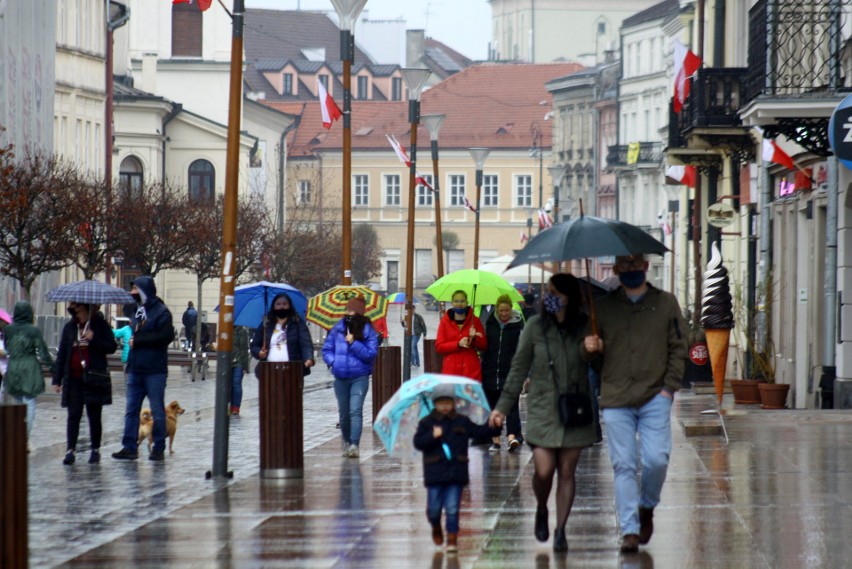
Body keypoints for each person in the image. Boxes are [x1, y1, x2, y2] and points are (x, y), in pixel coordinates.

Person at [582, 254, 687, 553]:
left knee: (656, 459)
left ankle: (647, 507)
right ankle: (629, 529)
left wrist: (669, 389)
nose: (630, 269)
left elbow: (680, 347)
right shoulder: (601, 308)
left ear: (645, 266)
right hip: (616, 396)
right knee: (624, 465)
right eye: (623, 265)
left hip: (655, 395)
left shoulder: (666, 304)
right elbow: (588, 355)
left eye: (635, 263)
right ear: (615, 269)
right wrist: (590, 348)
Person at [489, 274, 596, 552]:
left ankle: (561, 530)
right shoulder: (535, 327)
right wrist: (501, 407)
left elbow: (602, 366)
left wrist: (592, 350)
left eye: (554, 292)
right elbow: (518, 368)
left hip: (575, 409)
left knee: (567, 471)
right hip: (542, 408)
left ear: (568, 297)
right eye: (547, 291)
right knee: (545, 470)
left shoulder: (586, 326)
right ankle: (540, 506)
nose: (547, 295)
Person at [413, 386, 500, 553]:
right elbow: (419, 443)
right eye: (441, 403)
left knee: (452, 508)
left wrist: (494, 427)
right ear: (434, 404)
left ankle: (452, 538)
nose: (444, 406)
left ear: (454, 403)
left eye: (448, 402)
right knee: (434, 509)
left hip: (456, 472)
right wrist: (432, 435)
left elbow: (479, 432)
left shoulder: (461, 421)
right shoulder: (427, 423)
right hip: (435, 474)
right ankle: (436, 526)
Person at [113, 276, 175, 462]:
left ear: (145, 291)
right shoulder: (136, 311)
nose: (132, 293)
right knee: (131, 410)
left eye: (135, 290)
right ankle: (129, 446)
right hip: (135, 368)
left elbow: (165, 336)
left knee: (157, 410)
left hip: (154, 370)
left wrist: (139, 340)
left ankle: (158, 447)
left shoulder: (162, 312)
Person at [53, 302, 117, 465]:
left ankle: (95, 449)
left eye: (77, 306)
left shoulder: (99, 325)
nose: (74, 308)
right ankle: (70, 450)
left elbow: (111, 346)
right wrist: (57, 379)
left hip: (93, 377)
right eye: (73, 306)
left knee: (94, 415)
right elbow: (62, 354)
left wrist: (93, 338)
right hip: (74, 378)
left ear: (85, 307)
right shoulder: (70, 327)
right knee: (73, 414)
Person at [322, 297, 379, 458]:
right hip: (340, 377)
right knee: (344, 414)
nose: (348, 313)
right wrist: (334, 362)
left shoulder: (368, 331)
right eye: (347, 310)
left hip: (359, 377)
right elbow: (327, 349)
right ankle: (346, 441)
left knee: (355, 410)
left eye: (351, 310)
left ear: (359, 313)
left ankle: (354, 444)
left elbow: (371, 354)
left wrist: (354, 342)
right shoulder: (337, 329)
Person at [2, 300, 54, 448]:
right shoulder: (33, 331)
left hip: (13, 367)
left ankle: (18, 437)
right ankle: (25, 439)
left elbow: (6, 347)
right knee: (30, 403)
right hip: (30, 367)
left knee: (17, 403)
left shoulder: (8, 329)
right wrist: (54, 370)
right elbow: (43, 353)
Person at [480, 294, 525, 452]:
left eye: (506, 310)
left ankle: (512, 437)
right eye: (501, 311)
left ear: (511, 310)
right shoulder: (489, 324)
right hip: (490, 370)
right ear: (497, 310)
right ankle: (496, 440)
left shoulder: (518, 325)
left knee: (511, 405)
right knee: (493, 406)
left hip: (510, 371)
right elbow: (484, 347)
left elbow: (523, 350)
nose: (504, 314)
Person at [250, 292, 315, 377]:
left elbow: (306, 343)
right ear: (274, 306)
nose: (281, 306)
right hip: (269, 371)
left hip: (292, 371)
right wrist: (259, 353)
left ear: (289, 306)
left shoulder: (297, 323)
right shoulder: (266, 325)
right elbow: (254, 345)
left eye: (285, 304)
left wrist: (308, 358)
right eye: (278, 304)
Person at [435, 290, 486, 381]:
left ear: (467, 302)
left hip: (471, 371)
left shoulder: (475, 321)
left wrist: (474, 338)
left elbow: (483, 346)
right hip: (451, 371)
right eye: (456, 301)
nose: (459, 304)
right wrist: (457, 344)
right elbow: (439, 346)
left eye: (462, 301)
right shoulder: (445, 322)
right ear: (452, 303)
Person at [230, 325, 249, 416]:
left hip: (239, 361)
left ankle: (236, 407)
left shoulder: (242, 331)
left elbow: (244, 349)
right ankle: (229, 405)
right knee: (228, 385)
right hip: (227, 361)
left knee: (236, 383)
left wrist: (245, 366)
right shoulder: (225, 328)